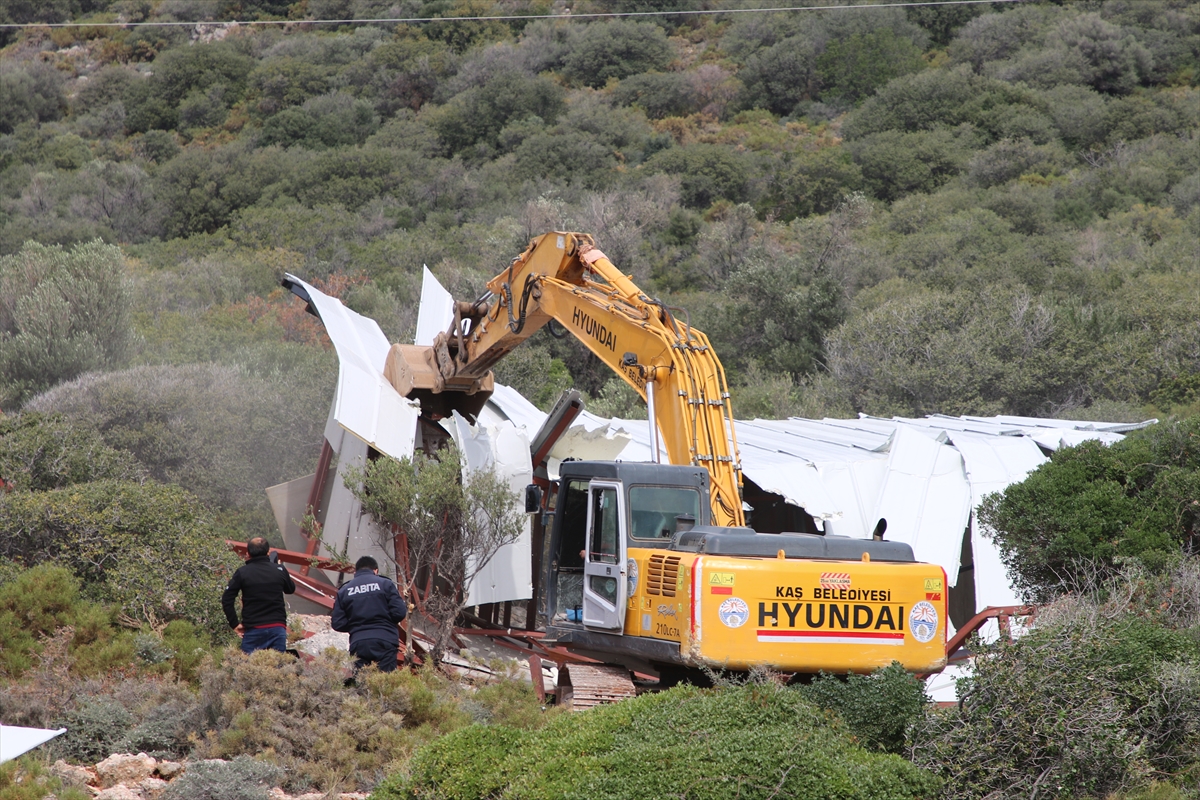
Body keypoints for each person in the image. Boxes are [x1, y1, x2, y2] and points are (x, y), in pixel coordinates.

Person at [331, 555, 408, 673]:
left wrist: (356, 626)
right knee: (386, 683)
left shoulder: (344, 591)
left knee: (362, 684)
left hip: (359, 642)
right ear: (376, 571)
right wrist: (385, 621)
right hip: (385, 640)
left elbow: (337, 623)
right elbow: (400, 613)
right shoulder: (385, 584)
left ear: (355, 572)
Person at [221, 537, 296, 654]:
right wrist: (279, 567)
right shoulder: (279, 569)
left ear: (248, 553)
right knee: (277, 668)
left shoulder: (243, 572)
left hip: (253, 629)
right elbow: (290, 589)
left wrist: (234, 624)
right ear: (268, 552)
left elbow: (227, 598)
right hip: (277, 628)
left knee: (249, 669)